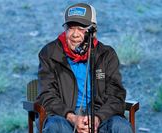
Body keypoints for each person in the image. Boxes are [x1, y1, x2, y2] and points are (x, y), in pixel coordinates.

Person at [35, 3, 133, 133]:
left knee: (120, 126)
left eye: (81, 28)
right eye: (71, 28)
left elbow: (116, 95)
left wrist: (98, 118)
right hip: (64, 116)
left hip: (100, 116)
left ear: (93, 31)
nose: (75, 34)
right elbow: (46, 94)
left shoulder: (106, 55)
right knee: (56, 127)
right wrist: (72, 117)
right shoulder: (49, 53)